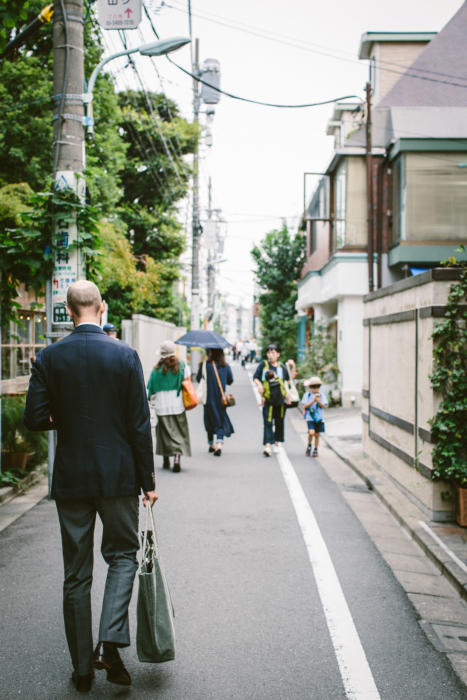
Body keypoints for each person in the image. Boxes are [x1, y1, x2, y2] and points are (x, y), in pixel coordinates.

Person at [23, 280, 157, 694]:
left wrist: (67, 421)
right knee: (122, 557)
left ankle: (82, 670)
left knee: (76, 574)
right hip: (118, 476)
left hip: (72, 478)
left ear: (66, 309)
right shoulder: (124, 356)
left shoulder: (49, 357)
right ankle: (109, 640)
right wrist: (148, 480)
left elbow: (34, 418)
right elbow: (139, 423)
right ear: (102, 308)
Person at [147, 340, 191, 473]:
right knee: (179, 432)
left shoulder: (156, 370)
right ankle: (177, 457)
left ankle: (166, 458)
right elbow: (187, 380)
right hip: (178, 405)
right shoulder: (182, 366)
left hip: (162, 406)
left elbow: (150, 388)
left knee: (164, 433)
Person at [253, 344, 290, 456]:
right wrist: (259, 385)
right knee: (268, 422)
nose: (270, 355)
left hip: (280, 399)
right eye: (269, 352)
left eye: (273, 353)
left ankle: (277, 443)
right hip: (268, 399)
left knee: (279, 422)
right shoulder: (263, 365)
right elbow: (255, 378)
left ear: (278, 354)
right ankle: (268, 445)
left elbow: (287, 381)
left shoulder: (281, 367)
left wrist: (288, 396)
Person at [196, 347, 234, 456]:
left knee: (209, 420)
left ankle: (211, 444)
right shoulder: (225, 366)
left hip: (208, 399)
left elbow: (199, 379)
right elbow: (230, 380)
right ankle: (219, 444)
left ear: (211, 352)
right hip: (221, 399)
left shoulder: (205, 365)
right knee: (220, 421)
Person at [301, 375, 328, 457]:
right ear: (310, 387)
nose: (315, 389)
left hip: (319, 418)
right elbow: (305, 405)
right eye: (313, 387)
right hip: (310, 417)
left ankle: (315, 449)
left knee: (317, 435)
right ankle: (309, 445)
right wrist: (313, 400)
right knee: (311, 432)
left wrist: (318, 401)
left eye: (317, 386)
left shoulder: (322, 395)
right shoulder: (307, 395)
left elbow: (324, 406)